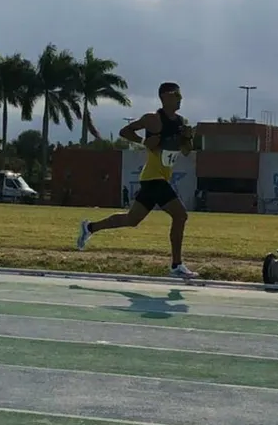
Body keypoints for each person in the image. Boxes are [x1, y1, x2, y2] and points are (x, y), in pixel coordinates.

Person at [75, 81, 198, 279]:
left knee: (132, 220)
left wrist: (188, 138)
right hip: (154, 178)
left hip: (157, 178)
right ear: (165, 97)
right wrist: (143, 141)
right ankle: (176, 265)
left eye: (180, 95)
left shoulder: (181, 122)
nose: (180, 98)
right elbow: (125, 131)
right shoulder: (153, 119)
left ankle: (89, 227)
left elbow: (186, 151)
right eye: (176, 95)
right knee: (180, 215)